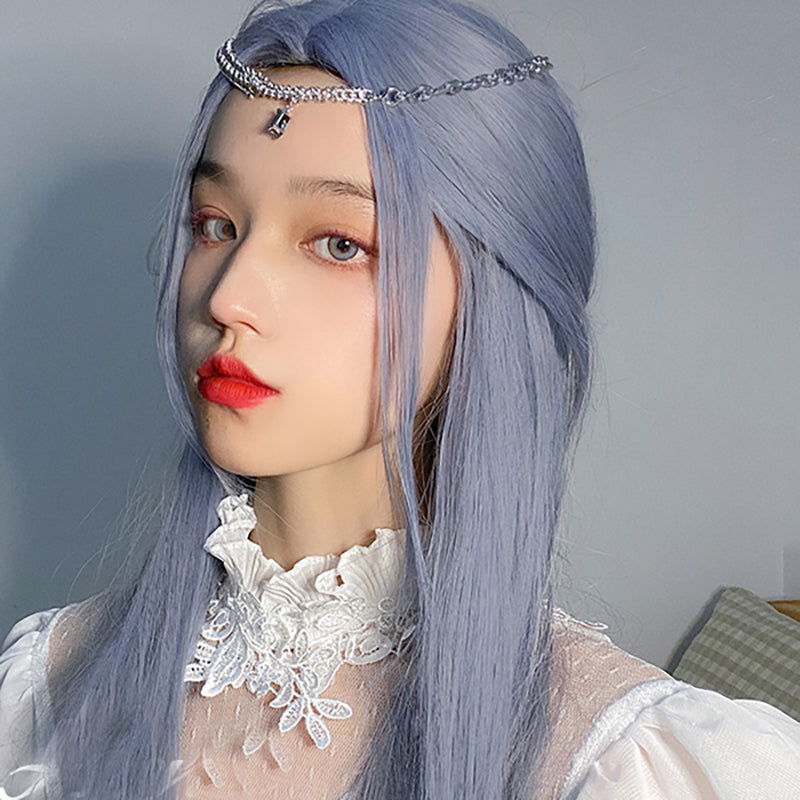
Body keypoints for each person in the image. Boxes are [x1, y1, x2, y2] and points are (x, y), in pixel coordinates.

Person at [1, 0, 799, 798]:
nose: (227, 297)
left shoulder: (622, 761)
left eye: (339, 243)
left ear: (493, 300)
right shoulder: (43, 689)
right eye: (216, 226)